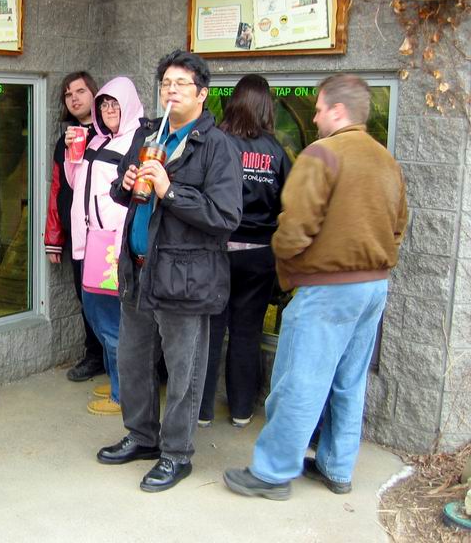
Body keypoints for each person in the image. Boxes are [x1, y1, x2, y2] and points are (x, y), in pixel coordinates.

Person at [223, 74, 408, 500]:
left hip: (327, 288)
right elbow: (400, 225)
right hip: (373, 287)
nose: (316, 117)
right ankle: (336, 467)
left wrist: (287, 269)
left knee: (299, 380)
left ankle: (271, 473)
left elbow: (293, 230)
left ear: (338, 111)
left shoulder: (321, 154)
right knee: (349, 380)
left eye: (321, 109)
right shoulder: (386, 160)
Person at [97, 50, 243, 492]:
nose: (172, 91)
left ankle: (177, 454)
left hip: (185, 279)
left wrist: (171, 190)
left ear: (202, 93)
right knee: (133, 360)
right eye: (166, 84)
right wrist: (123, 186)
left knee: (184, 371)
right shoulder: (149, 133)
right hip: (139, 270)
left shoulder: (217, 146)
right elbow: (125, 191)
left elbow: (225, 216)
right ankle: (142, 437)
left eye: (181, 84)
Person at [198, 75, 291, 429]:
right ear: (267, 107)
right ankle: (240, 411)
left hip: (217, 250)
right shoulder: (277, 152)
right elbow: (288, 204)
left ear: (232, 102)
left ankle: (202, 411)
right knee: (247, 332)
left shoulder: (216, 142)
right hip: (259, 255)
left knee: (209, 330)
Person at [65, 77, 144, 415]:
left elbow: (135, 197)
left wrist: (119, 241)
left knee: (112, 321)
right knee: (97, 315)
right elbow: (76, 183)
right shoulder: (97, 139)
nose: (109, 110)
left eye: (115, 104)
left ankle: (122, 394)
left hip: (111, 244)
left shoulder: (137, 142)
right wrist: (72, 156)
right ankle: (115, 379)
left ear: (128, 105)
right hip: (89, 240)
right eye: (105, 105)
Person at [44, 72, 107, 383]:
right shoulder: (65, 140)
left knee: (110, 299)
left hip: (107, 235)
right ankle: (94, 356)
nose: (75, 98)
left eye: (81, 91)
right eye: (69, 94)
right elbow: (58, 189)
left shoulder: (111, 134)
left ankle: (120, 360)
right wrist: (53, 238)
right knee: (86, 298)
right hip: (77, 236)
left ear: (95, 93)